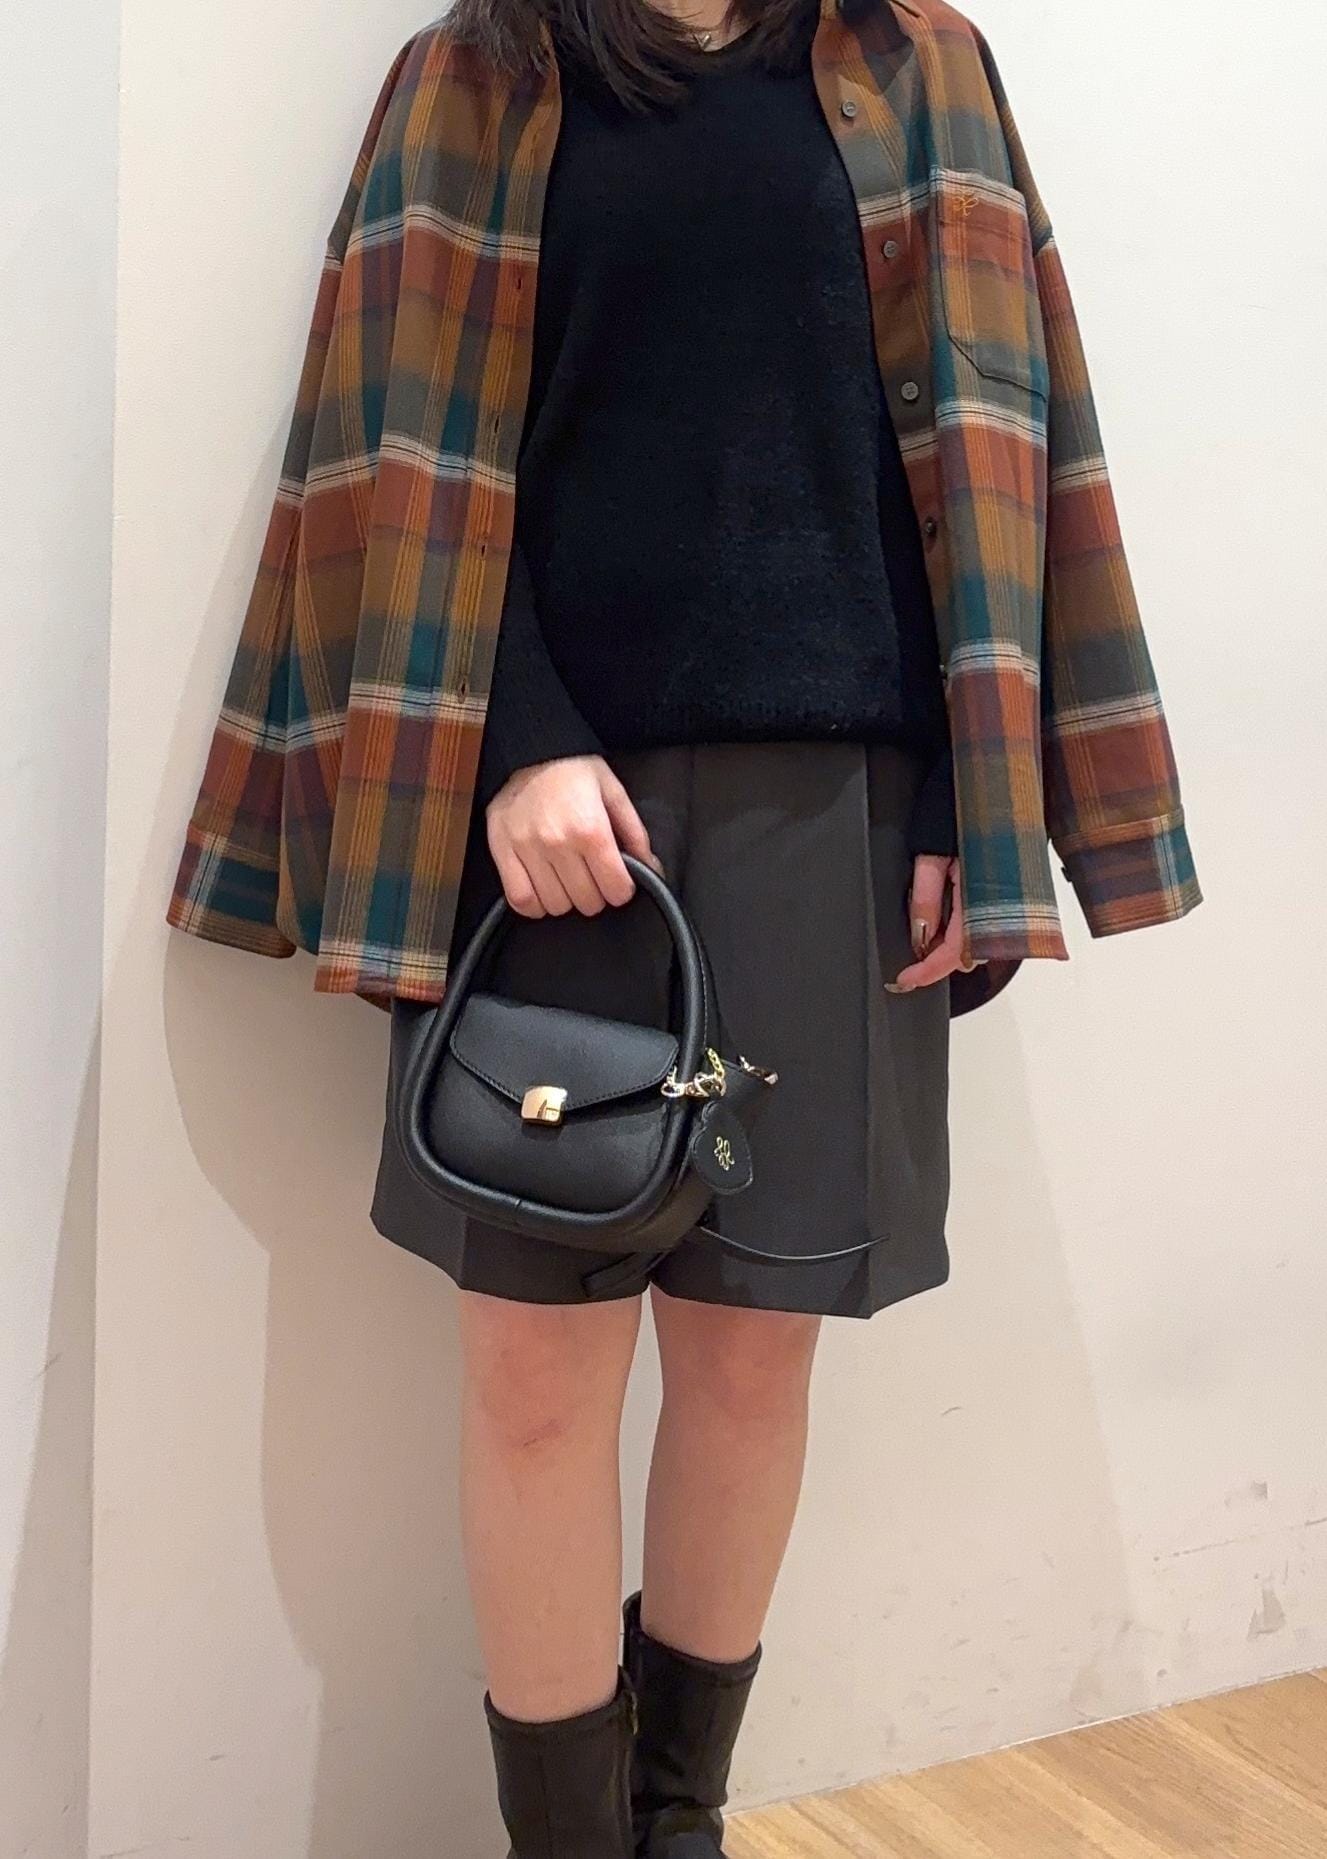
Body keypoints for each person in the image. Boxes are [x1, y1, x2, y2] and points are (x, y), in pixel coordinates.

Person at [167, 0, 1201, 1850]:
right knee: (537, 1379)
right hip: (555, 834)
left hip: (839, 814)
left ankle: (681, 1824)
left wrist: (969, 792)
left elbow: (1004, 441)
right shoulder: (479, 74)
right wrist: (519, 744)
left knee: (750, 1353)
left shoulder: (918, 66)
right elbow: (393, 435)